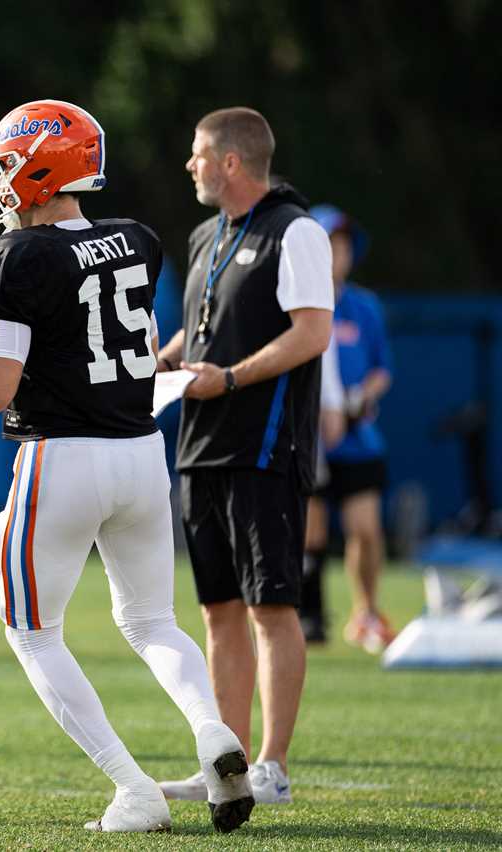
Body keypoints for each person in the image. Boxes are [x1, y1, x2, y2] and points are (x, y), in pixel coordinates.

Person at [0, 99, 253, 834]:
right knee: (154, 621)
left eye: (9, 164)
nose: (2, 179)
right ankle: (214, 732)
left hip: (61, 458)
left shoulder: (17, 257)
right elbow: (140, 351)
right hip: (141, 454)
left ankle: (134, 787)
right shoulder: (136, 239)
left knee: (31, 630)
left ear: (42, 166)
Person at [156, 107, 334, 806]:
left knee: (271, 607)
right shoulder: (208, 233)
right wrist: (164, 359)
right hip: (200, 443)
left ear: (231, 161)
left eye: (199, 154)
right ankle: (225, 768)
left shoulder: (298, 229)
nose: (190, 165)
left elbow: (312, 332)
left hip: (265, 444)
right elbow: (202, 326)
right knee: (219, 610)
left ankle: (272, 764)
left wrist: (228, 378)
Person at [306, 205, 395, 653]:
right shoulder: (298, 302)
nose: (336, 254)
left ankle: (367, 611)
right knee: (311, 530)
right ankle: (312, 616)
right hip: (310, 438)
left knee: (365, 528)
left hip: (357, 438)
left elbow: (383, 369)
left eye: (341, 246)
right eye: (327, 245)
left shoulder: (364, 306)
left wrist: (359, 397)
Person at [300, 336, 347, 643]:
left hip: (302, 419)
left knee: (313, 522)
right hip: (256, 420)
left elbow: (321, 349)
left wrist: (332, 404)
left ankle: (311, 612)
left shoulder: (313, 295)